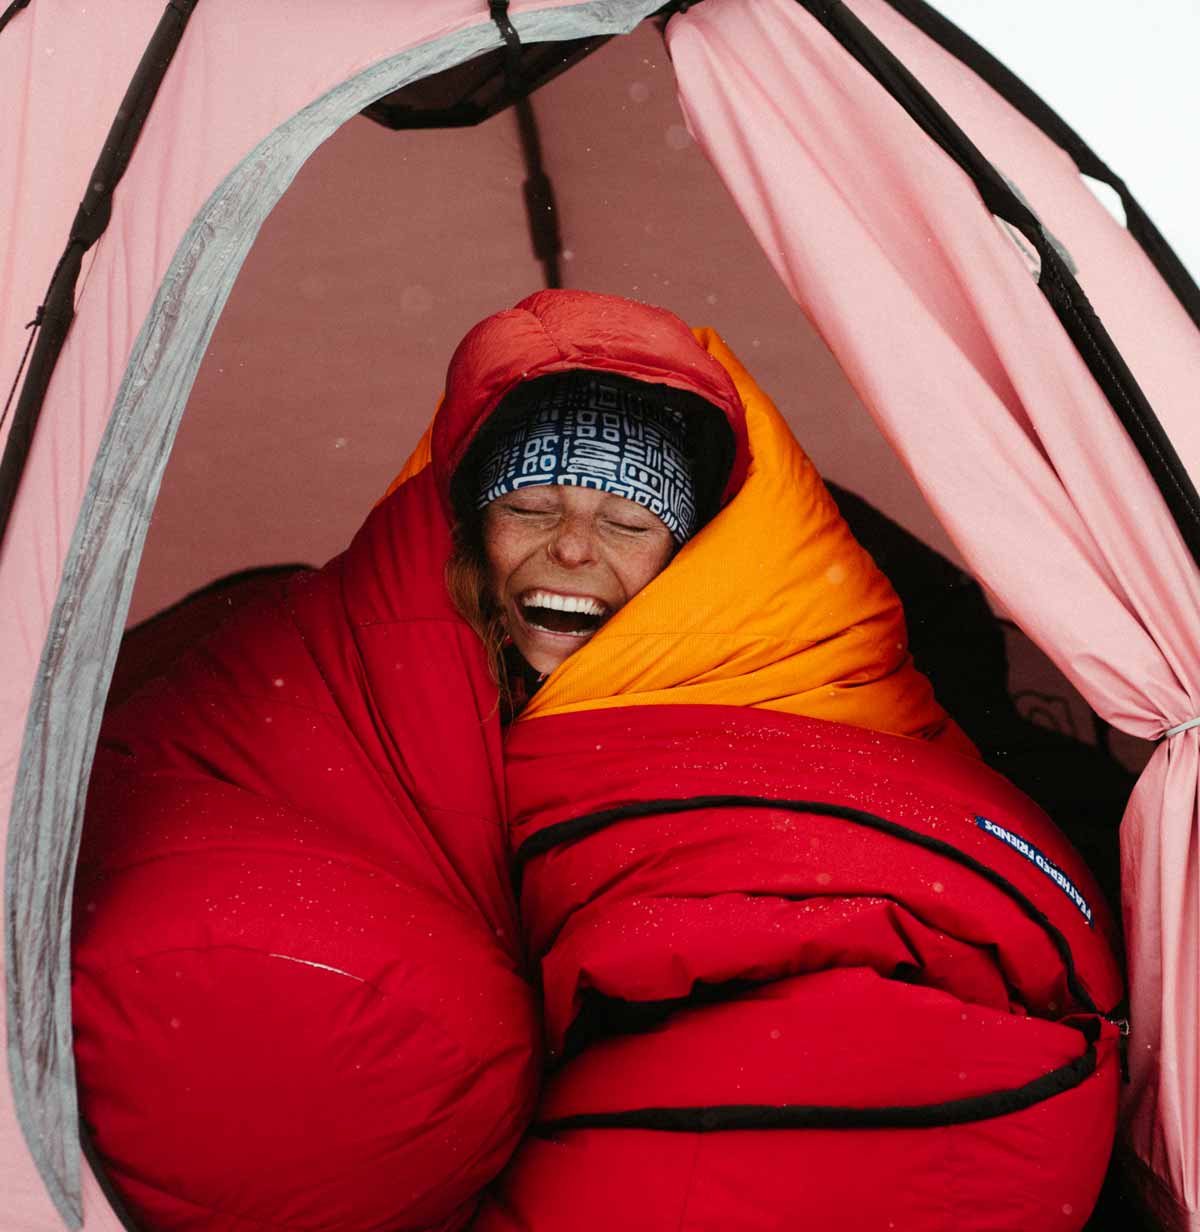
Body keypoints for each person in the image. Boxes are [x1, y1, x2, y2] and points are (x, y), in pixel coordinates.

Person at [72, 290, 1122, 1232]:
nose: (573, 549)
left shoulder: (783, 678)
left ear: (689, 556)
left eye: (628, 518)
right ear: (469, 527)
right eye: (530, 508)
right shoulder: (408, 655)